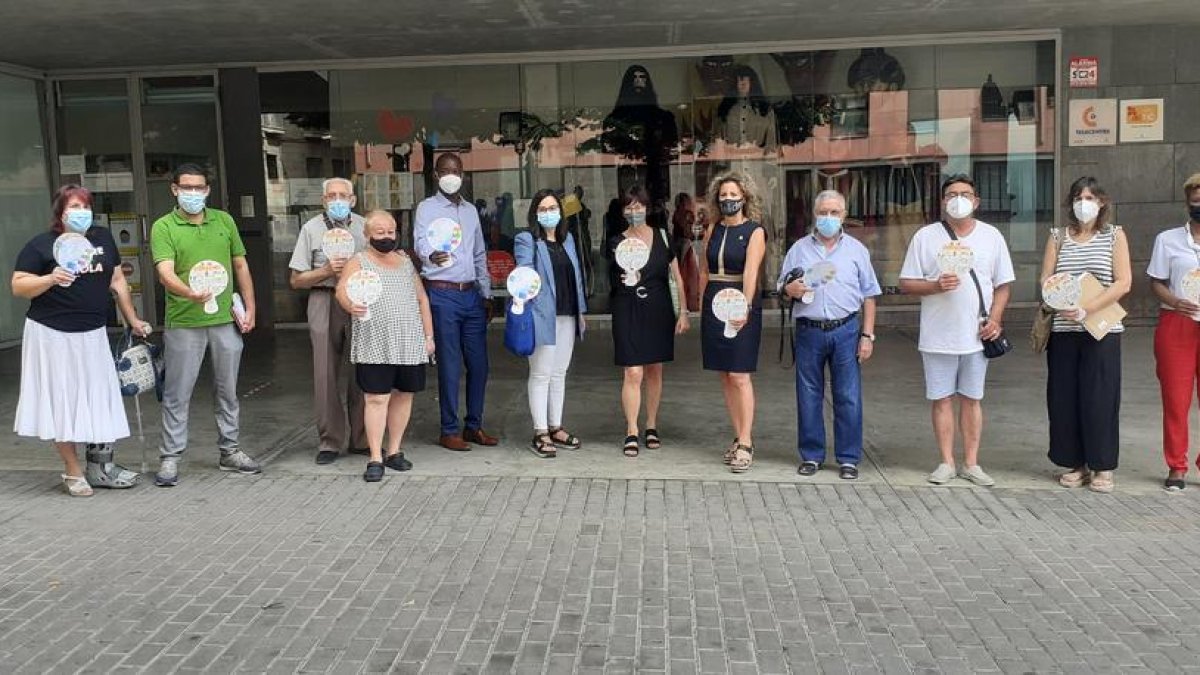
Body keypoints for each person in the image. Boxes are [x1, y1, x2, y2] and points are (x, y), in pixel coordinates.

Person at [11, 185, 152, 496]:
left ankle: (101, 466)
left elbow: (117, 280)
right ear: (60, 212)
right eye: (74, 206)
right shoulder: (41, 246)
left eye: (86, 206)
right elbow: (18, 286)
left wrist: (133, 319)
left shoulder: (102, 239)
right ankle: (73, 471)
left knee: (97, 397)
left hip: (92, 333)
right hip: (51, 335)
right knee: (62, 400)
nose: (81, 213)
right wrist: (50, 278)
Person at [899, 173, 1014, 487]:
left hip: (977, 335)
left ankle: (972, 462)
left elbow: (1003, 284)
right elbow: (906, 282)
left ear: (976, 201)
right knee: (941, 399)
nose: (958, 199)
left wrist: (996, 318)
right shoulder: (926, 236)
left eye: (965, 193)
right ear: (943, 201)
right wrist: (935, 286)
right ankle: (946, 461)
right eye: (952, 194)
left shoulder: (991, 237)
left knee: (972, 398)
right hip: (938, 335)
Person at [150, 163, 260, 487]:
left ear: (208, 190)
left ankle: (230, 450)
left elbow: (240, 264)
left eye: (199, 188)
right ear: (174, 189)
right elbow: (165, 272)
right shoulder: (164, 227)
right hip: (184, 321)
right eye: (187, 188)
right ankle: (170, 457)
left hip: (225, 319)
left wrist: (250, 307)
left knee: (227, 390)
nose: (193, 194)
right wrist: (189, 293)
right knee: (177, 392)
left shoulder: (223, 221)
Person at [779, 190, 881, 480]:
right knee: (808, 394)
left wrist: (868, 335)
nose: (828, 218)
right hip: (809, 330)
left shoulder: (857, 251)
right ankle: (812, 455)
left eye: (834, 213)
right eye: (823, 212)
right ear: (815, 214)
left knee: (848, 395)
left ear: (844, 216)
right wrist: (790, 290)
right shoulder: (798, 249)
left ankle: (848, 458)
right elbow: (781, 285)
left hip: (846, 329)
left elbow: (870, 295)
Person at [1040, 177, 1130, 493]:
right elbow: (1046, 278)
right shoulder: (1057, 237)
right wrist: (1059, 301)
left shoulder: (1114, 236)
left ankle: (1102, 465)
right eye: (1078, 196)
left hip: (1101, 330)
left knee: (1101, 397)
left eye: (1090, 196)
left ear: (1102, 202)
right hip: (1064, 330)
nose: (1084, 202)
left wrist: (1087, 308)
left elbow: (1123, 282)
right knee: (1064, 397)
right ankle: (1074, 462)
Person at [336, 211, 434, 482]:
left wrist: (429, 336)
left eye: (391, 232)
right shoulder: (358, 261)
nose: (386, 237)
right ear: (367, 235)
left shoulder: (405, 262)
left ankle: (394, 451)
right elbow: (342, 290)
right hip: (374, 342)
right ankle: (375, 456)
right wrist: (349, 304)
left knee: (404, 395)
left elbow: (422, 300)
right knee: (376, 398)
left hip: (408, 340)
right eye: (380, 233)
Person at [413, 152, 498, 451]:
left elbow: (478, 254)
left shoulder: (471, 211)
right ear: (436, 176)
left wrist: (486, 293)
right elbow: (420, 242)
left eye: (457, 171)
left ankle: (473, 425)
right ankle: (449, 430)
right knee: (450, 365)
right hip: (442, 293)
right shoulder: (426, 208)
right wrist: (428, 254)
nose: (451, 175)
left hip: (470, 294)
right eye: (445, 171)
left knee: (479, 365)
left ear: (463, 175)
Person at [288, 177, 369, 465]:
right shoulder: (311, 229)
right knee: (324, 371)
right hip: (323, 298)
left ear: (353, 199)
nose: (337, 200)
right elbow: (296, 280)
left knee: (363, 368)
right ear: (323, 201)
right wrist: (324, 271)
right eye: (331, 196)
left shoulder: (364, 227)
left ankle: (361, 437)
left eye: (342, 195)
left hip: (359, 299)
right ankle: (330, 440)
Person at [606, 185, 689, 457]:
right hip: (627, 307)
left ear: (647, 208)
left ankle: (651, 425)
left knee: (654, 369)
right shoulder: (616, 241)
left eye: (638, 206)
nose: (634, 211)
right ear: (622, 211)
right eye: (628, 207)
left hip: (658, 307)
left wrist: (684, 312)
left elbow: (676, 277)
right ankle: (631, 429)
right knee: (633, 371)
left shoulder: (663, 238)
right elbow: (612, 279)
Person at [700, 172, 767, 473]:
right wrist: (700, 305)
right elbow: (704, 269)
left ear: (744, 197)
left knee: (740, 375)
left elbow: (751, 272)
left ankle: (747, 441)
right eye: (723, 195)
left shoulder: (755, 232)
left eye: (733, 194)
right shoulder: (711, 228)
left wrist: (745, 306)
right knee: (724, 375)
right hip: (714, 300)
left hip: (740, 302)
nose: (728, 199)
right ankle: (737, 434)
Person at [514, 190, 588, 458]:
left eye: (553, 208)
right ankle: (540, 431)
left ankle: (556, 426)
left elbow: (576, 277)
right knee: (541, 374)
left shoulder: (567, 241)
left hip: (568, 314)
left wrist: (581, 310)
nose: (548, 213)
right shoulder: (527, 241)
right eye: (543, 209)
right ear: (535, 213)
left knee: (559, 374)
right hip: (541, 317)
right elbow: (523, 276)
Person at [1148, 172, 1200, 492]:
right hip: (1176, 323)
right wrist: (1174, 300)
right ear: (1187, 203)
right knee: (1176, 399)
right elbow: (1156, 282)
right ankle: (1176, 466)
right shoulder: (1168, 239)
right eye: (1196, 202)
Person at [600, 65, 680, 203]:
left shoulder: (664, 118)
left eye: (642, 77)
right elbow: (607, 152)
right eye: (634, 78)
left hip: (655, 178)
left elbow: (672, 150)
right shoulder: (614, 120)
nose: (637, 81)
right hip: (627, 178)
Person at [716, 65, 778, 152]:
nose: (743, 82)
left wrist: (767, 160)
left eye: (746, 79)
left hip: (758, 161)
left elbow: (771, 141)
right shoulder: (725, 109)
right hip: (732, 160)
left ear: (753, 82)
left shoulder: (765, 109)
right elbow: (718, 140)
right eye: (739, 79)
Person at [670, 192, 701, 313]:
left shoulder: (677, 213)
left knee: (682, 271)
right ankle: (689, 300)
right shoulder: (687, 214)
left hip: (677, 241)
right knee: (688, 272)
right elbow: (687, 231)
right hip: (684, 242)